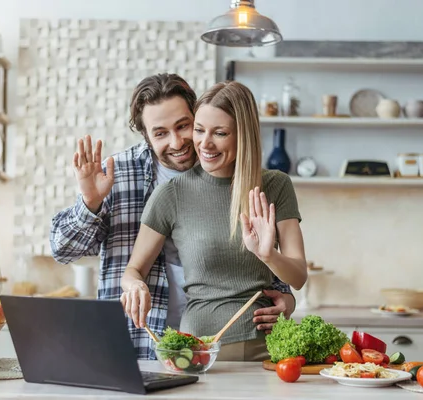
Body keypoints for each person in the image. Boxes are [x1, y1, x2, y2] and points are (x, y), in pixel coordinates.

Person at [50, 74, 296, 360]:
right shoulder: (117, 175)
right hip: (139, 341)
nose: (178, 142)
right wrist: (90, 202)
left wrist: (282, 295)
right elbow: (63, 250)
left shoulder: (237, 173)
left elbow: (250, 260)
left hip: (216, 341)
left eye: (184, 126)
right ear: (145, 135)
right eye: (160, 133)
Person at [120, 80, 308, 361]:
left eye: (219, 133)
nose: (204, 144)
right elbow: (133, 269)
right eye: (199, 130)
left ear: (242, 135)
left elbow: (299, 276)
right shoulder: (172, 194)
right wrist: (135, 286)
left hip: (266, 348)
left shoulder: (276, 185)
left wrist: (267, 255)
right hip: (198, 350)